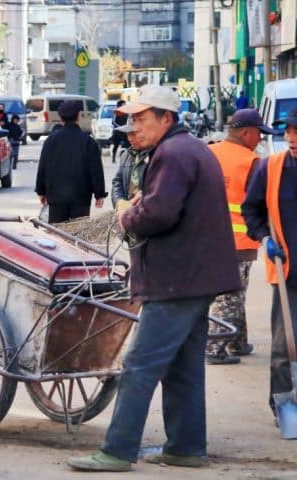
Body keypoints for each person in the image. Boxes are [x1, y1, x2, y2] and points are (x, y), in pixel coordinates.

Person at [68, 85, 241, 472]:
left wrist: (125, 216)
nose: (133, 128)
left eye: (142, 119)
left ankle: (117, 450)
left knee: (138, 367)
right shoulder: (186, 149)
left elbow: (160, 213)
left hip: (177, 278)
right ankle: (185, 448)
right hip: (193, 276)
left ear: (167, 118)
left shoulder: (174, 153)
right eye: (131, 120)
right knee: (183, 367)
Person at [205, 109, 276, 365]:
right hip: (238, 241)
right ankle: (215, 347)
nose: (260, 139)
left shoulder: (209, 152)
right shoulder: (252, 161)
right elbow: (261, 203)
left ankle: (237, 342)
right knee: (231, 295)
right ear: (246, 133)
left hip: (206, 238)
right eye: (259, 134)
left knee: (232, 293)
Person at [242, 107, 297, 425]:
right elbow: (251, 210)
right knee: (283, 345)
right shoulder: (271, 168)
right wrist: (264, 239)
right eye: (288, 130)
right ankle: (284, 408)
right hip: (288, 270)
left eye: (296, 131)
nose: (291, 137)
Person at [35, 100, 106, 223]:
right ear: (78, 116)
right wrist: (99, 194)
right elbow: (95, 170)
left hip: (56, 198)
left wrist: (41, 191)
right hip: (81, 198)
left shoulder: (51, 141)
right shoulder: (88, 142)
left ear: (60, 117)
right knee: (78, 237)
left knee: (57, 235)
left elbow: (43, 167)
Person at [111, 117, 148, 210]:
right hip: (127, 214)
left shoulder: (155, 155)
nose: (130, 138)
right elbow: (117, 182)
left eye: (134, 134)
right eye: (128, 134)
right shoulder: (126, 155)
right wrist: (119, 202)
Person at [111, 99, 129, 164]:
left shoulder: (126, 112)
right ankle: (113, 158)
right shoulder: (117, 112)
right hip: (118, 131)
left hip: (124, 130)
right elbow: (113, 122)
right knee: (116, 145)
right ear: (121, 104)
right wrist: (119, 127)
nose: (125, 105)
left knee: (127, 144)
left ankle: (125, 158)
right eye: (124, 104)